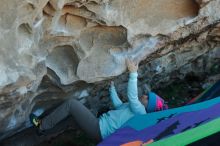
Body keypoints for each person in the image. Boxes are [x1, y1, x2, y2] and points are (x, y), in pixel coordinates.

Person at [30, 59, 168, 142]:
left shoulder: (141, 113)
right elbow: (119, 105)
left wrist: (133, 73)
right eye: (147, 95)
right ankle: (45, 133)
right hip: (100, 132)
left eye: (148, 98)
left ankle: (41, 125)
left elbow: (132, 96)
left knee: (72, 104)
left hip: (99, 129)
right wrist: (112, 89)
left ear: (148, 106)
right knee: (71, 120)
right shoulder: (135, 110)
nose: (145, 96)